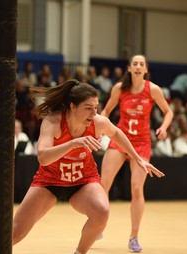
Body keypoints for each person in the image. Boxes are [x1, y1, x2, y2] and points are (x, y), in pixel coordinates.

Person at [12, 79, 165, 254]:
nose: (94, 113)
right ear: (72, 106)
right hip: (49, 182)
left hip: (83, 181)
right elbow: (43, 158)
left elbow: (116, 133)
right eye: (88, 108)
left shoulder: (98, 122)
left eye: (96, 107)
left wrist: (137, 158)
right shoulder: (53, 122)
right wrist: (73, 143)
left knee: (102, 211)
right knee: (15, 233)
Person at [100, 55, 173, 252]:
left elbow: (168, 112)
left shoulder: (153, 89)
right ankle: (98, 222)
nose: (138, 66)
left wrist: (164, 128)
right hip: (120, 140)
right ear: (130, 69)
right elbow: (106, 111)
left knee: (137, 188)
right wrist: (99, 129)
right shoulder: (119, 88)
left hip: (141, 143)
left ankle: (134, 237)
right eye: (135, 64)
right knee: (103, 183)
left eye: (142, 64)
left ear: (146, 69)